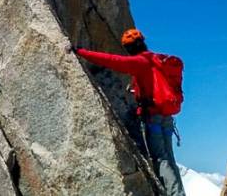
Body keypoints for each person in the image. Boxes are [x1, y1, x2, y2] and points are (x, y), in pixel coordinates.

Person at [72, 29, 186, 196]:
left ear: (129, 47)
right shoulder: (156, 60)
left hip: (153, 116)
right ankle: (177, 192)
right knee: (169, 157)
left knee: (161, 158)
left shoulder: (141, 62)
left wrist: (81, 52)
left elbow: (113, 61)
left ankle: (175, 194)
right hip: (166, 116)